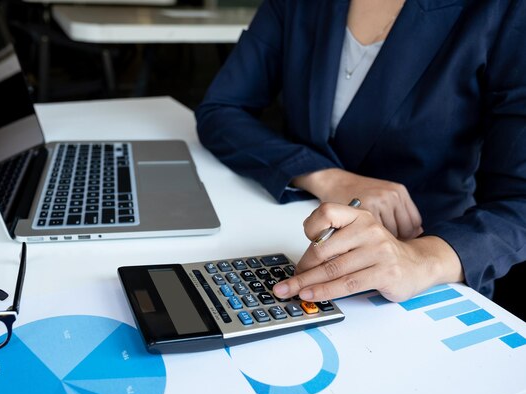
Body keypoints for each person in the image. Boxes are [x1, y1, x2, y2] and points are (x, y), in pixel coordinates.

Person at [195, 0, 526, 304]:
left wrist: (422, 258)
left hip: (429, 268)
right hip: (296, 237)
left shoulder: (504, 9)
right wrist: (326, 177)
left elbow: (519, 202)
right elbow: (221, 109)